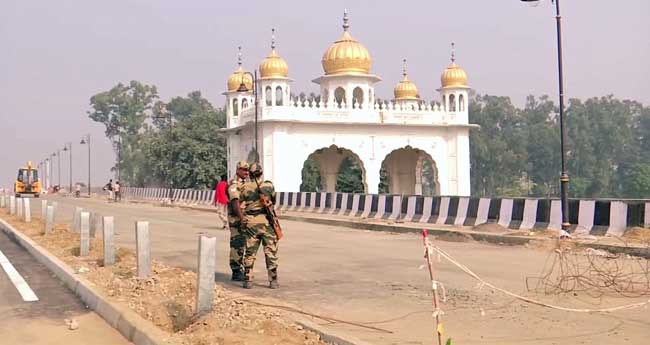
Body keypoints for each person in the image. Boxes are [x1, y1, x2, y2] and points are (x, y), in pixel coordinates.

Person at [241, 163, 279, 289]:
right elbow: (273, 200)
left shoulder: (245, 187)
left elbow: (241, 201)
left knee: (250, 251)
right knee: (270, 251)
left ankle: (248, 280)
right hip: (267, 221)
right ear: (261, 173)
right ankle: (273, 280)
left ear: (250, 175)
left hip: (251, 221)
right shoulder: (268, 185)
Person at [226, 161, 249, 281]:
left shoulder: (245, 183)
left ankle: (241, 268)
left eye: (247, 170)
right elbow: (235, 204)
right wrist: (242, 219)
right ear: (238, 170)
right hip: (236, 219)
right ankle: (236, 271)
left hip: (243, 218)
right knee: (237, 244)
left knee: (242, 244)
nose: (246, 172)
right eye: (243, 170)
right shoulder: (234, 184)